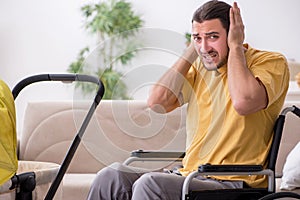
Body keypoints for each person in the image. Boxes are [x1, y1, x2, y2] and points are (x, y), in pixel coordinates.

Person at [87, 1, 290, 199]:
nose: (205, 46)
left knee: (150, 184)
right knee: (111, 176)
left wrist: (235, 47)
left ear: (232, 34)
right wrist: (193, 49)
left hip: (235, 181)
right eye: (198, 38)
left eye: (212, 37)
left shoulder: (270, 62)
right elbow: (157, 103)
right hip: (191, 175)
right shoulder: (200, 67)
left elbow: (244, 102)